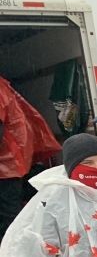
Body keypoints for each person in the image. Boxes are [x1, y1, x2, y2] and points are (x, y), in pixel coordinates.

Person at [0, 75, 61, 240]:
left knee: (9, 216)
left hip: (6, 167)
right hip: (9, 165)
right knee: (10, 214)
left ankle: (14, 252)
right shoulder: (3, 87)